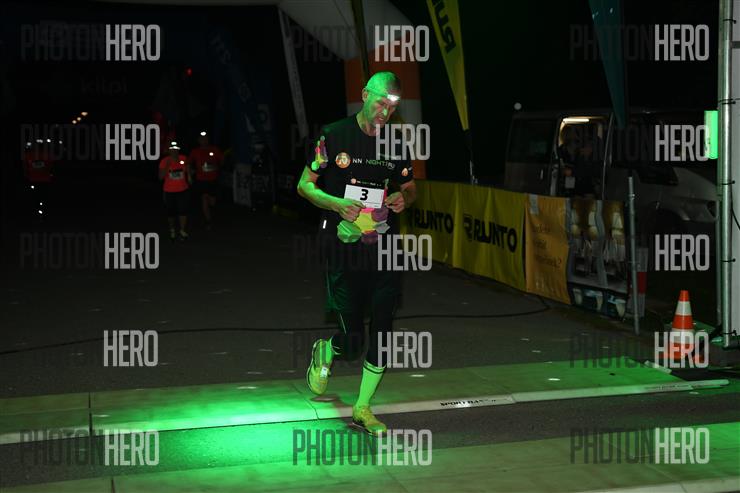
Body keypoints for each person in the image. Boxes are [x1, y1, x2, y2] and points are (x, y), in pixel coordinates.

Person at [297, 71, 416, 436]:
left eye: (392, 107)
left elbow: (410, 187)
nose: (385, 112)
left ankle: (363, 407)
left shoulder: (396, 143)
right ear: (365, 95)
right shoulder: (333, 136)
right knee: (352, 341)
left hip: (383, 246)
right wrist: (336, 204)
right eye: (380, 103)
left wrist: (403, 197)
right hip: (343, 247)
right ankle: (327, 349)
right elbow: (304, 186)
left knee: (382, 326)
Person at [187, 131, 223, 229]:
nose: (204, 140)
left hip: (213, 179)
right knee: (204, 198)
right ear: (199, 140)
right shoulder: (195, 151)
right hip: (201, 180)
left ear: (208, 140)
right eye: (202, 139)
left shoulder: (214, 149)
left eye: (206, 139)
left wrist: (218, 167)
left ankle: (212, 213)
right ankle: (208, 220)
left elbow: (222, 160)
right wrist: (189, 175)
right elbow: (188, 163)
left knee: (212, 201)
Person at [159, 141, 192, 241]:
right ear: (169, 150)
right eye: (172, 149)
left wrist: (189, 176)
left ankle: (182, 230)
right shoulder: (164, 161)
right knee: (171, 213)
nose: (174, 151)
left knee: (183, 210)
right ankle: (172, 229)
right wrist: (167, 166)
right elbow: (160, 177)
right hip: (169, 191)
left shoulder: (183, 158)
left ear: (178, 150)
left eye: (176, 149)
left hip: (183, 189)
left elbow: (188, 167)